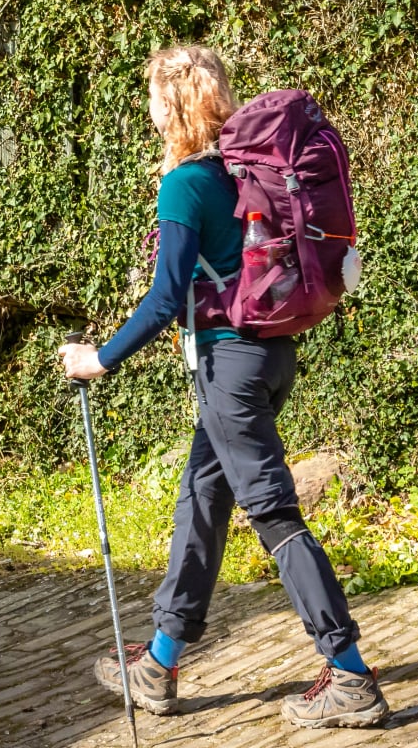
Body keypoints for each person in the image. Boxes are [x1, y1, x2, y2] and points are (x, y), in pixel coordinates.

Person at [58, 46, 390, 730]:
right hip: (270, 359)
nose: (147, 110)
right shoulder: (247, 172)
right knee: (202, 503)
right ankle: (158, 661)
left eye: (152, 96)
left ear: (170, 104)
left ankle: (350, 673)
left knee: (271, 511)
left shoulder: (185, 184)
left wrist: (99, 359)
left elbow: (163, 300)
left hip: (228, 370)